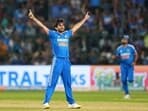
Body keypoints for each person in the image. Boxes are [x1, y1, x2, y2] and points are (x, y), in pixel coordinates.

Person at [28, 9, 90, 109]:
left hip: (66, 61)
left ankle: (71, 103)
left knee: (68, 82)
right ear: (56, 27)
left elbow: (76, 27)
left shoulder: (67, 34)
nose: (62, 26)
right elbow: (42, 26)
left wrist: (85, 19)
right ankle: (46, 102)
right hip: (57, 61)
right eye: (60, 25)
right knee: (52, 82)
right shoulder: (53, 34)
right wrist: (33, 17)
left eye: (63, 25)